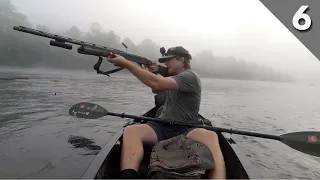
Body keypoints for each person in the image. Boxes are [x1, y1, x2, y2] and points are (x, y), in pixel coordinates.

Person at [107, 46, 226, 179]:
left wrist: (126, 63)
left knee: (211, 136)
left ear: (181, 60)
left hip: (186, 127)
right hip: (161, 126)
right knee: (131, 131)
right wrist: (153, 72)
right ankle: (128, 176)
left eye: (168, 60)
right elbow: (156, 90)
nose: (165, 63)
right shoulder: (174, 78)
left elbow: (157, 85)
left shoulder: (190, 77)